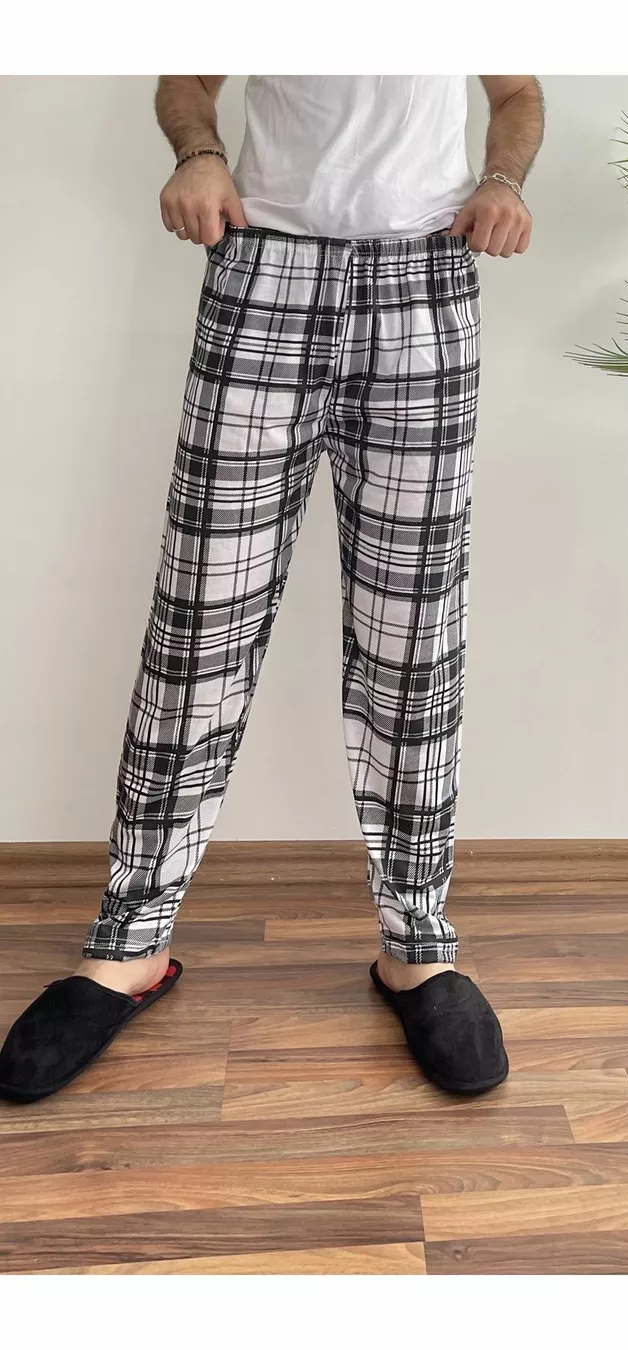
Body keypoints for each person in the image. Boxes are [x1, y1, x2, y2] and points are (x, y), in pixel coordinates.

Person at [0, 74, 544, 1103]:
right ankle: (130, 943)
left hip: (426, 279)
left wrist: (504, 178)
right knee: (201, 621)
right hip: (265, 271)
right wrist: (199, 153)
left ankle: (417, 945)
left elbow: (515, 89)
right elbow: (187, 79)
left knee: (414, 634)